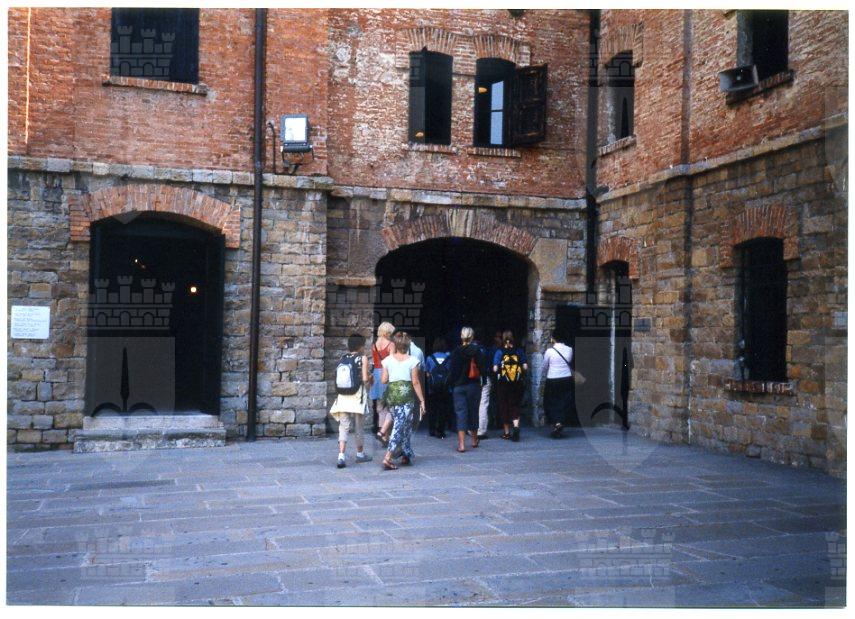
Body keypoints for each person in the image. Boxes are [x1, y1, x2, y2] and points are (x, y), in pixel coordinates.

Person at [380, 331, 426, 470]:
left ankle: (406, 453)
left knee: (405, 424)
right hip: (406, 397)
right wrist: (422, 400)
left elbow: (384, 380)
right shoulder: (413, 361)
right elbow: (415, 382)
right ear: (408, 345)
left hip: (392, 397)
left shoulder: (388, 360)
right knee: (400, 426)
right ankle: (388, 457)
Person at [329, 333, 374, 467]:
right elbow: (365, 379)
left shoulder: (342, 358)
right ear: (360, 346)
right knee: (359, 426)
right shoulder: (362, 358)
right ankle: (360, 454)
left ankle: (341, 456)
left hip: (343, 395)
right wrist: (370, 378)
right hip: (357, 396)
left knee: (343, 426)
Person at [447, 326, 488, 453]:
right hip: (473, 385)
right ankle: (474, 440)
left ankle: (462, 444)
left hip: (459, 386)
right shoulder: (477, 351)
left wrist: (451, 384)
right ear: (472, 337)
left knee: (461, 413)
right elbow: (483, 368)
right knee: (473, 412)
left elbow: (453, 371)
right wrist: (484, 381)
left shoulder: (456, 352)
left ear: (461, 336)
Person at [493, 330, 528, 442]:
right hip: (516, 383)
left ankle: (507, 433)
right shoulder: (519, 351)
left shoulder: (499, 352)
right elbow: (525, 367)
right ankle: (516, 426)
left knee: (504, 405)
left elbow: (495, 368)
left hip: (503, 383)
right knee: (515, 404)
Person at [541, 331, 574, 439]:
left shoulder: (549, 351)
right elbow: (569, 361)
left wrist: (545, 373)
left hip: (553, 378)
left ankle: (556, 423)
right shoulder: (569, 349)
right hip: (566, 378)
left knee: (551, 401)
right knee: (564, 401)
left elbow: (545, 366)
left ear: (553, 338)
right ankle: (560, 422)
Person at [370, 322, 396, 444]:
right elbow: (391, 363)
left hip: (376, 374)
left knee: (380, 406)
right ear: (387, 332)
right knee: (390, 405)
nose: (392, 334)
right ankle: (385, 434)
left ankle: (383, 434)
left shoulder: (374, 345)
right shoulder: (391, 344)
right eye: (391, 332)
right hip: (386, 374)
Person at [424, 336, 452, 438]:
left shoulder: (430, 358)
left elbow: (427, 373)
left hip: (432, 388)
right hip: (445, 388)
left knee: (432, 409)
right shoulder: (448, 358)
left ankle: (432, 430)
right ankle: (440, 431)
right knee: (443, 409)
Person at [475, 330, 492, 440]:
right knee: (483, 404)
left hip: (472, 379)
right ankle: (481, 430)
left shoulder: (469, 350)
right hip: (484, 378)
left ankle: (471, 428)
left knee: (472, 403)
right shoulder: (485, 350)